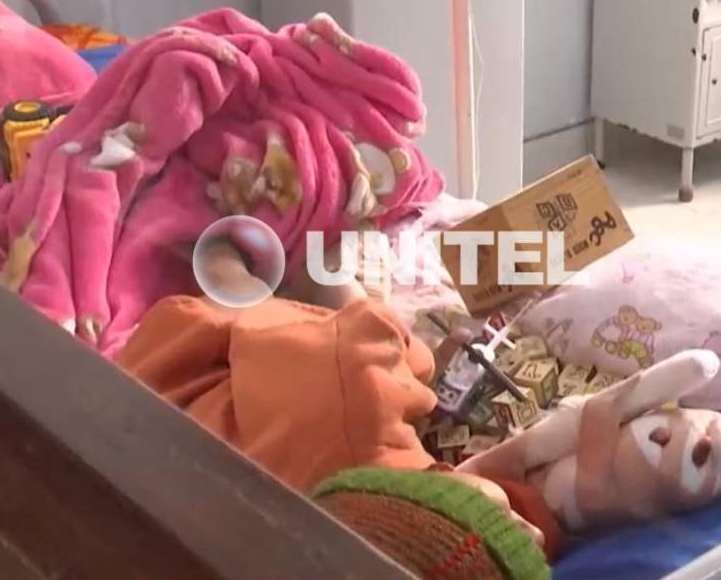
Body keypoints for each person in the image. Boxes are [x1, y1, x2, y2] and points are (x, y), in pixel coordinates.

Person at [117, 235, 557, 578]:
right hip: (177, 421)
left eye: (508, 520)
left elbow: (370, 331)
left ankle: (236, 255)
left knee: (254, 293)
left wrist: (421, 363)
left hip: (196, 368)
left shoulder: (362, 423)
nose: (530, 529)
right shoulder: (307, 533)